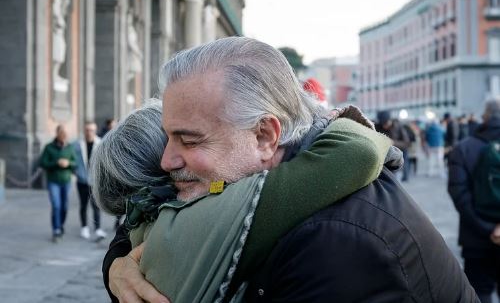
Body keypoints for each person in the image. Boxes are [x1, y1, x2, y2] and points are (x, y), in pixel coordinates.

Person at [102, 37, 478, 303]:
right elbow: (151, 214)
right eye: (169, 137)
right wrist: (118, 268)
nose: (167, 161)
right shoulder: (232, 183)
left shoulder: (336, 243)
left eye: (190, 140)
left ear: (266, 136)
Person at [91, 99, 391, 303]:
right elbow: (357, 151)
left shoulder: (151, 225)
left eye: (189, 140)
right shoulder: (221, 211)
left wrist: (115, 265)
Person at [448, 97, 500, 303]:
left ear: (484, 117)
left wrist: (488, 229)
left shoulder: (464, 148)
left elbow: (459, 194)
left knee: (479, 293)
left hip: (476, 239)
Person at [40, 124, 77, 242]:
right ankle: (56, 229)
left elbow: (75, 163)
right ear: (57, 134)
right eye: (62, 133)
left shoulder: (70, 147)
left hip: (66, 181)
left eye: (65, 134)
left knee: (64, 207)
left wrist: (69, 164)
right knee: (56, 205)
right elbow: (43, 163)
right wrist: (56, 162)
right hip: (53, 181)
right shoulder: (48, 147)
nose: (64, 135)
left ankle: (60, 225)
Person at [72, 122, 107, 240]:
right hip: (82, 180)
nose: (89, 132)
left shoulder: (100, 143)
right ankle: (84, 227)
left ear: (95, 130)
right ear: (84, 130)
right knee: (83, 205)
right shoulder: (77, 144)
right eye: (87, 130)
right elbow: (71, 158)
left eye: (91, 130)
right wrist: (75, 171)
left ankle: (98, 229)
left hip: (95, 181)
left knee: (96, 205)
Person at [375, 110, 411, 181]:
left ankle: (405, 177)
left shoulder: (398, 126)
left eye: (386, 123)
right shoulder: (378, 126)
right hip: (387, 153)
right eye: (382, 124)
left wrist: (393, 142)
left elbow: (407, 143)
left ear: (390, 120)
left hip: (401, 150)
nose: (384, 126)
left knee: (404, 164)